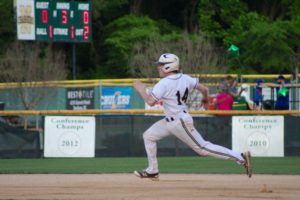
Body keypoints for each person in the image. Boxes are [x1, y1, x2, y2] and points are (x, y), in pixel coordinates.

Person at [132, 53, 252, 180]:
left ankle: (241, 158)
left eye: (161, 65)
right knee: (149, 136)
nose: (158, 67)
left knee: (202, 148)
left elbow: (151, 101)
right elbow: (204, 89)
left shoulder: (164, 83)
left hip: (179, 121)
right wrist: (205, 99)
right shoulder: (185, 78)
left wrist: (141, 89)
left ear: (169, 67)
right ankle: (153, 170)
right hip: (171, 120)